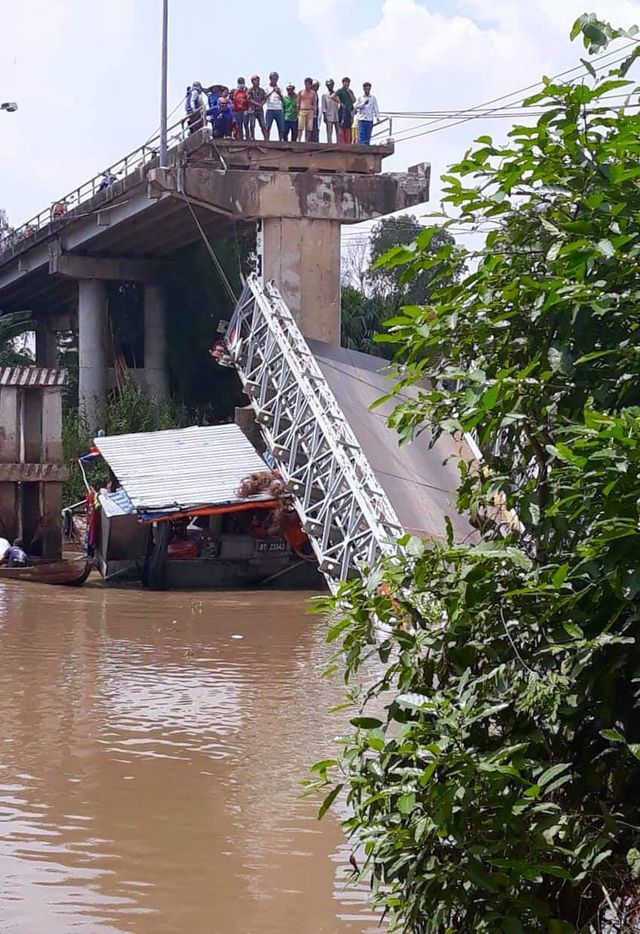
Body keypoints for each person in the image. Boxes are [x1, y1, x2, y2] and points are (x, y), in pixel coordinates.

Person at [265, 71, 285, 141]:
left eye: (276, 79)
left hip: (278, 109)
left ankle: (280, 140)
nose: (275, 80)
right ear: (270, 79)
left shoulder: (280, 88)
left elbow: (283, 100)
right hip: (270, 109)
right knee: (267, 126)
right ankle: (267, 140)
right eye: (273, 78)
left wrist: (279, 93)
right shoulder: (267, 88)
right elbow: (264, 98)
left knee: (281, 127)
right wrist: (272, 91)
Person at [297, 77, 317, 143]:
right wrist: (297, 112)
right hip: (302, 110)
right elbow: (298, 102)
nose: (307, 86)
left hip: (310, 111)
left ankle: (307, 141)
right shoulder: (301, 92)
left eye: (308, 84)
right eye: (306, 84)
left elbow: (314, 102)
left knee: (309, 128)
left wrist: (314, 110)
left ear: (311, 85)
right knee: (300, 126)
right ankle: (299, 140)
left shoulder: (313, 93)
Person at [336, 76, 356, 145]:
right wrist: (340, 103)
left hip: (349, 110)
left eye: (348, 82)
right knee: (342, 126)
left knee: (348, 126)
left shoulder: (350, 91)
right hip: (342, 110)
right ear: (343, 83)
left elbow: (354, 100)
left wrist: (349, 92)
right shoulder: (340, 90)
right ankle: (342, 142)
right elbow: (333, 96)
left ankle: (348, 142)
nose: (347, 84)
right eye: (345, 82)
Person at [247, 75, 267, 140]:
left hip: (260, 110)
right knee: (252, 125)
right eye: (256, 80)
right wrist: (258, 104)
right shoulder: (250, 90)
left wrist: (261, 104)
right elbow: (249, 99)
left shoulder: (262, 90)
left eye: (258, 80)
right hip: (252, 110)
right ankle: (252, 137)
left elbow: (265, 98)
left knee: (263, 125)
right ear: (252, 82)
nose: (257, 82)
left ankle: (266, 138)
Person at [321, 79, 340, 143]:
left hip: (337, 115)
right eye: (328, 85)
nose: (330, 86)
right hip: (329, 115)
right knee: (329, 132)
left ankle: (338, 144)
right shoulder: (325, 95)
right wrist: (324, 116)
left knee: (338, 131)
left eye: (331, 85)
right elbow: (324, 107)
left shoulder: (337, 94)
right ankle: (329, 144)